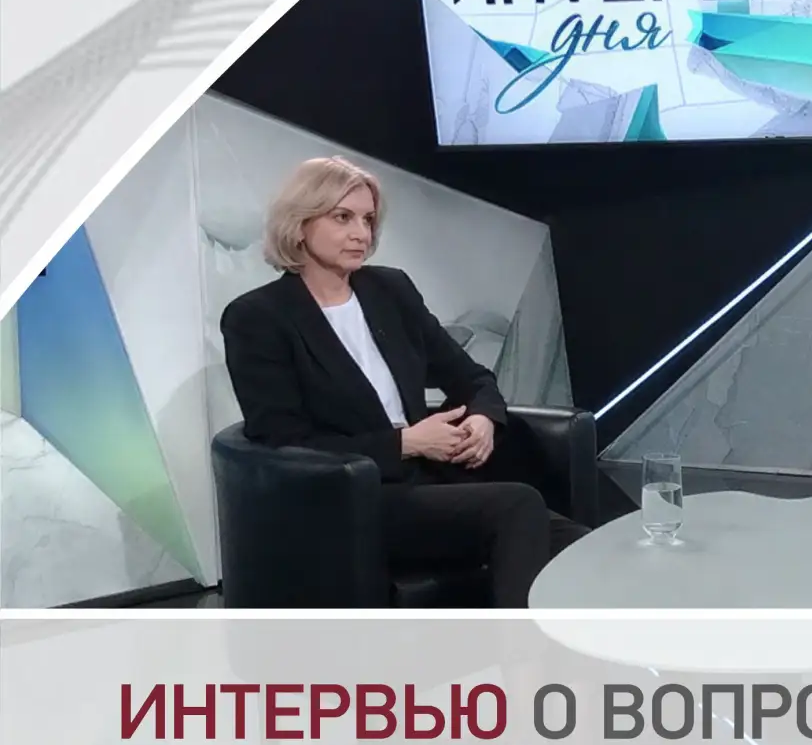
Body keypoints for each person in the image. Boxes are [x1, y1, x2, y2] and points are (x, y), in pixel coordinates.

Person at [220, 156, 588, 607]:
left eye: (368, 219)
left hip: (432, 481)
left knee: (587, 546)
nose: (361, 233)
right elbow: (284, 442)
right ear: (299, 225)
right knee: (518, 504)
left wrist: (484, 419)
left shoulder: (389, 291)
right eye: (343, 217)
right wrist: (405, 444)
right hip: (350, 500)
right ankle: (520, 650)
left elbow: (471, 376)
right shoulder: (257, 318)